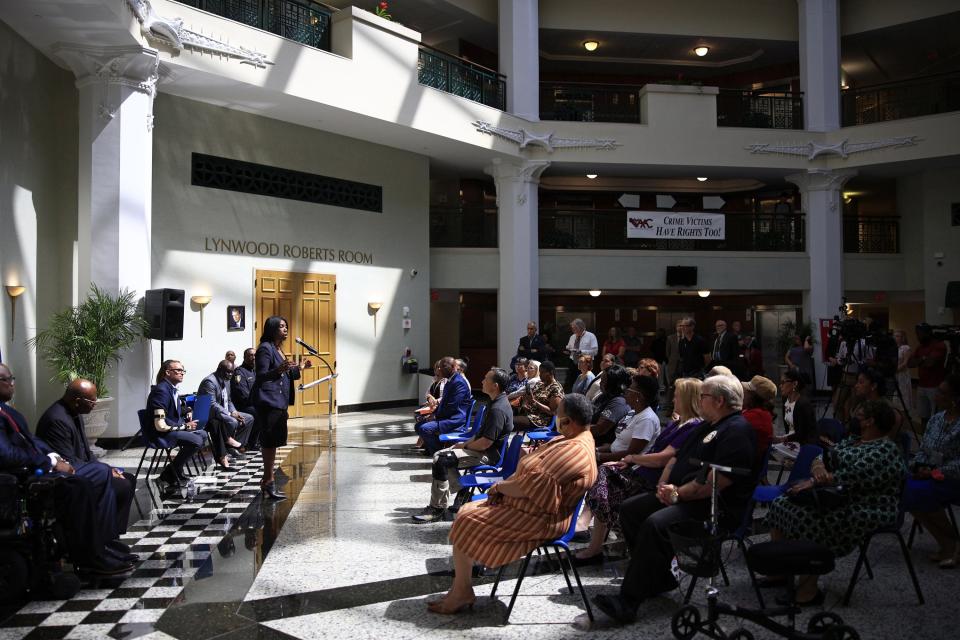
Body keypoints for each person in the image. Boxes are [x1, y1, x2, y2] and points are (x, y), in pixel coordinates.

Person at [592, 374, 757, 624]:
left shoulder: (737, 431)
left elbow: (716, 483)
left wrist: (678, 492)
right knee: (631, 509)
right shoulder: (707, 426)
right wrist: (665, 485)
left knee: (655, 524)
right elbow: (675, 458)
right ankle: (658, 578)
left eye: (704, 396)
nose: (700, 401)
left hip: (711, 507)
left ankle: (628, 601)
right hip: (684, 495)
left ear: (720, 400)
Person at [429, 393, 598, 614]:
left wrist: (499, 488)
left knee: (467, 517)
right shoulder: (573, 438)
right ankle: (461, 588)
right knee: (466, 511)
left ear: (569, 422)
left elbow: (531, 486)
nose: (555, 417)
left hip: (543, 519)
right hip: (532, 507)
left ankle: (462, 591)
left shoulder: (575, 449)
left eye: (558, 414)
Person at [763, 400, 905, 605]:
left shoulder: (885, 450)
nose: (854, 417)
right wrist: (818, 467)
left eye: (859, 414)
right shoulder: (854, 440)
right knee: (781, 504)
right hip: (836, 495)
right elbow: (824, 454)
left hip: (867, 505)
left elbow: (853, 476)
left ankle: (808, 591)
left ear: (870, 422)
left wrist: (815, 480)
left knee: (811, 519)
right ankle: (779, 573)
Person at [0, 364, 133, 574]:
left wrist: (52, 456)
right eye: (8, 379)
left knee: (117, 478)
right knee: (97, 475)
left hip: (43, 467)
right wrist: (50, 462)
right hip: (21, 478)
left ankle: (103, 545)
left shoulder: (8, 411)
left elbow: (33, 441)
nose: (12, 384)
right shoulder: (56, 418)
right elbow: (5, 454)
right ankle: (93, 553)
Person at [575, 375, 671, 564]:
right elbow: (618, 444)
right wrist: (601, 450)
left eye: (631, 388)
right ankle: (588, 524)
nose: (626, 391)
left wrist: (601, 457)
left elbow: (630, 453)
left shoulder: (647, 419)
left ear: (639, 396)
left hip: (634, 470)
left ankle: (591, 528)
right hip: (617, 461)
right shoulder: (633, 414)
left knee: (601, 475)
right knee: (596, 473)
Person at [36, 378, 137, 541]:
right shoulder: (57, 420)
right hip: (67, 478)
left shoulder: (75, 414)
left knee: (128, 479)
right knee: (121, 484)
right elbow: (68, 462)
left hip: (83, 469)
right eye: (92, 400)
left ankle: (113, 536)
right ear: (77, 401)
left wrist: (108, 469)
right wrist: (105, 472)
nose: (95, 404)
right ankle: (102, 539)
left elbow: (86, 453)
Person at [413, 368, 514, 523]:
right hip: (482, 449)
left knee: (442, 459)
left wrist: (465, 447)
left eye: (486, 379)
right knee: (442, 455)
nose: (482, 381)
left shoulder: (498, 409)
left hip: (488, 455)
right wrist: (463, 444)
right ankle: (462, 492)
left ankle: (437, 508)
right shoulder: (495, 402)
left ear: (495, 385)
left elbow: (486, 442)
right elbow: (480, 434)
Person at [905, 375, 960, 567]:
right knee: (906, 490)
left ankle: (952, 540)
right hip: (930, 473)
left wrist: (936, 471)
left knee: (922, 493)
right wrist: (919, 467)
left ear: (955, 398)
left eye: (942, 393)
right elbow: (923, 450)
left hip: (952, 477)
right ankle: (947, 541)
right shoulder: (936, 419)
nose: (936, 396)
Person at [253, 316, 308, 500]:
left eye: (286, 326)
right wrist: (279, 370)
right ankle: (268, 482)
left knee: (275, 442)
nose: (285, 329)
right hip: (268, 403)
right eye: (281, 326)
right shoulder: (265, 349)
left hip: (278, 402)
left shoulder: (278, 349)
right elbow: (260, 376)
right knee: (269, 443)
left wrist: (299, 367)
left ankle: (267, 481)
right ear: (272, 328)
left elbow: (286, 374)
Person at [146, 359, 208, 490]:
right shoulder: (161, 390)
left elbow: (172, 410)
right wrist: (185, 426)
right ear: (167, 372)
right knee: (196, 440)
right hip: (161, 433)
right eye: (178, 370)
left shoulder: (171, 389)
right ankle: (170, 472)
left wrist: (188, 410)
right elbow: (160, 424)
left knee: (202, 434)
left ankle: (173, 471)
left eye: (183, 370)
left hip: (173, 430)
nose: (182, 373)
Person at [199, 359, 253, 468]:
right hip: (208, 414)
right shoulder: (209, 382)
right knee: (232, 421)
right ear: (219, 369)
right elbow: (212, 404)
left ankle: (232, 447)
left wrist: (234, 411)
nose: (230, 374)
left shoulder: (227, 381)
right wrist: (229, 414)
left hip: (223, 411)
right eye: (227, 371)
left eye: (232, 372)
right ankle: (228, 445)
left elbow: (228, 400)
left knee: (249, 418)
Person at [415, 356, 472, 455]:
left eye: (444, 367)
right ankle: (432, 448)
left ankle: (439, 451)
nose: (440, 369)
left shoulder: (458, 383)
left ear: (454, 367)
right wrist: (433, 414)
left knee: (425, 428)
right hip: (447, 416)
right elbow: (444, 403)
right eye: (440, 367)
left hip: (454, 419)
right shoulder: (450, 380)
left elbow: (452, 406)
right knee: (418, 425)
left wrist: (435, 417)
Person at [909, 324, 947, 432]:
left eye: (920, 334)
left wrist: (920, 360)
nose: (918, 337)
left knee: (937, 416)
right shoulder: (920, 347)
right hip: (921, 385)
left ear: (927, 333)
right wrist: (924, 359)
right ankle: (924, 438)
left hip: (935, 386)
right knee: (923, 416)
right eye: (917, 334)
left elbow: (930, 363)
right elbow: (910, 363)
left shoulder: (939, 345)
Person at [773, 367, 817, 446]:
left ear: (794, 384)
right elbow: (789, 430)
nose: (780, 386)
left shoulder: (803, 404)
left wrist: (783, 439)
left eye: (783, 382)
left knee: (772, 449)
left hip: (804, 445)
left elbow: (803, 434)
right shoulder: (786, 402)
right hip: (792, 441)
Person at [590, 365, 632, 446]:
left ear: (612, 383)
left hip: (601, 446)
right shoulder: (604, 396)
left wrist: (575, 428)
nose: (600, 383)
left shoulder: (619, 402)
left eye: (603, 381)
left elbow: (600, 429)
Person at [514, 361, 564, 430]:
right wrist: (525, 403)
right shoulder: (539, 384)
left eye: (542, 372)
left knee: (511, 422)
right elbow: (528, 396)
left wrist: (535, 402)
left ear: (550, 373)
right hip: (528, 414)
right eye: (540, 372)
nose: (540, 375)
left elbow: (552, 412)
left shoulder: (556, 388)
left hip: (540, 420)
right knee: (504, 417)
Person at [741, 375, 776, 463]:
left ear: (753, 396)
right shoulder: (758, 412)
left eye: (746, 391)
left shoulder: (757, 416)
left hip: (745, 468)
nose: (743, 392)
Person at [232, 347, 258, 441]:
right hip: (243, 406)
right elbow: (243, 395)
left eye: (255, 355)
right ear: (245, 357)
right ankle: (252, 442)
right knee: (258, 413)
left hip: (254, 403)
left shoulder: (255, 371)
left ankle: (261, 439)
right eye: (251, 355)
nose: (254, 357)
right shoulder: (239, 372)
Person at [564, 318, 598, 388]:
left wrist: (581, 351)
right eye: (572, 328)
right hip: (573, 362)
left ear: (580, 327)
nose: (572, 330)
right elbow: (569, 347)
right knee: (570, 382)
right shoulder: (572, 336)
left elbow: (595, 352)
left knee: (584, 383)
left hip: (585, 362)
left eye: (574, 328)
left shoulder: (591, 336)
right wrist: (568, 351)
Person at [894, 330, 914, 414]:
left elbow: (905, 363)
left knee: (903, 396)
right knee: (895, 397)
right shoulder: (894, 348)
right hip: (895, 375)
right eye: (895, 336)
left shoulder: (906, 348)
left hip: (902, 375)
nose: (895, 338)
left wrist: (895, 370)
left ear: (902, 338)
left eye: (898, 336)